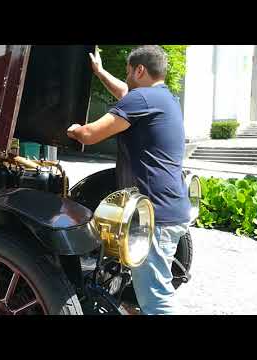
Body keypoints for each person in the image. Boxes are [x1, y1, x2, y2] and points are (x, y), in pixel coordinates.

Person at [67, 45, 191, 315]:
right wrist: (100, 72)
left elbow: (90, 134)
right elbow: (124, 92)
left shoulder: (141, 100)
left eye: (128, 73)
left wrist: (73, 129)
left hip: (154, 216)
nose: (127, 79)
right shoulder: (164, 98)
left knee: (157, 300)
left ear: (140, 70)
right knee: (152, 289)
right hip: (171, 208)